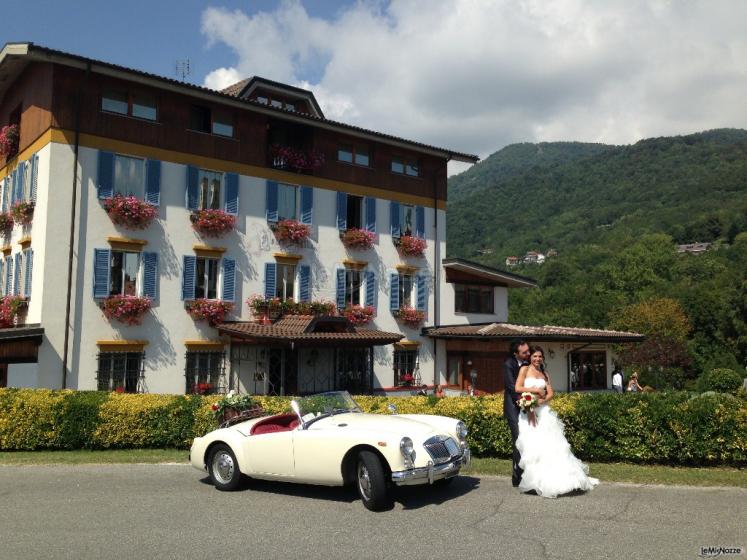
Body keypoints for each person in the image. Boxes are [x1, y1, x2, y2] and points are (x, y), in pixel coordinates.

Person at [514, 345, 599, 498]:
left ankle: (557, 481)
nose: (537, 359)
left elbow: (551, 392)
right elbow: (518, 388)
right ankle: (535, 482)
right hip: (528, 413)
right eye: (535, 356)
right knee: (533, 447)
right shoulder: (524, 370)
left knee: (551, 445)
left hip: (544, 411)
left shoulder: (544, 373)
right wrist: (535, 394)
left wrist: (542, 400)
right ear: (530, 357)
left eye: (540, 356)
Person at [503, 339, 533, 487]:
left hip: (529, 405)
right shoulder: (509, 364)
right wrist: (523, 402)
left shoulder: (529, 364)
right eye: (524, 352)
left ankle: (529, 472)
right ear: (516, 354)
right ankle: (517, 475)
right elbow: (511, 387)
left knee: (528, 439)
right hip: (513, 407)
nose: (528, 353)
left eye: (528, 351)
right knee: (518, 439)